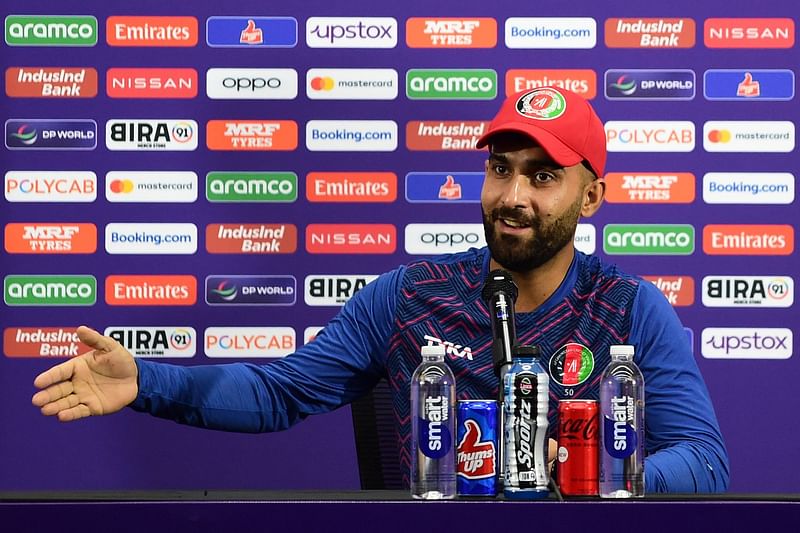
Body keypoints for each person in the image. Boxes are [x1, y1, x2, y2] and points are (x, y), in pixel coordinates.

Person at [32, 86, 729, 493]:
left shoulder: (630, 307)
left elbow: (703, 459)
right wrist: (144, 380)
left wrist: (606, 465)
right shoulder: (409, 294)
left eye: (543, 175)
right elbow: (281, 392)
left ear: (592, 196)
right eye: (500, 168)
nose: (513, 195)